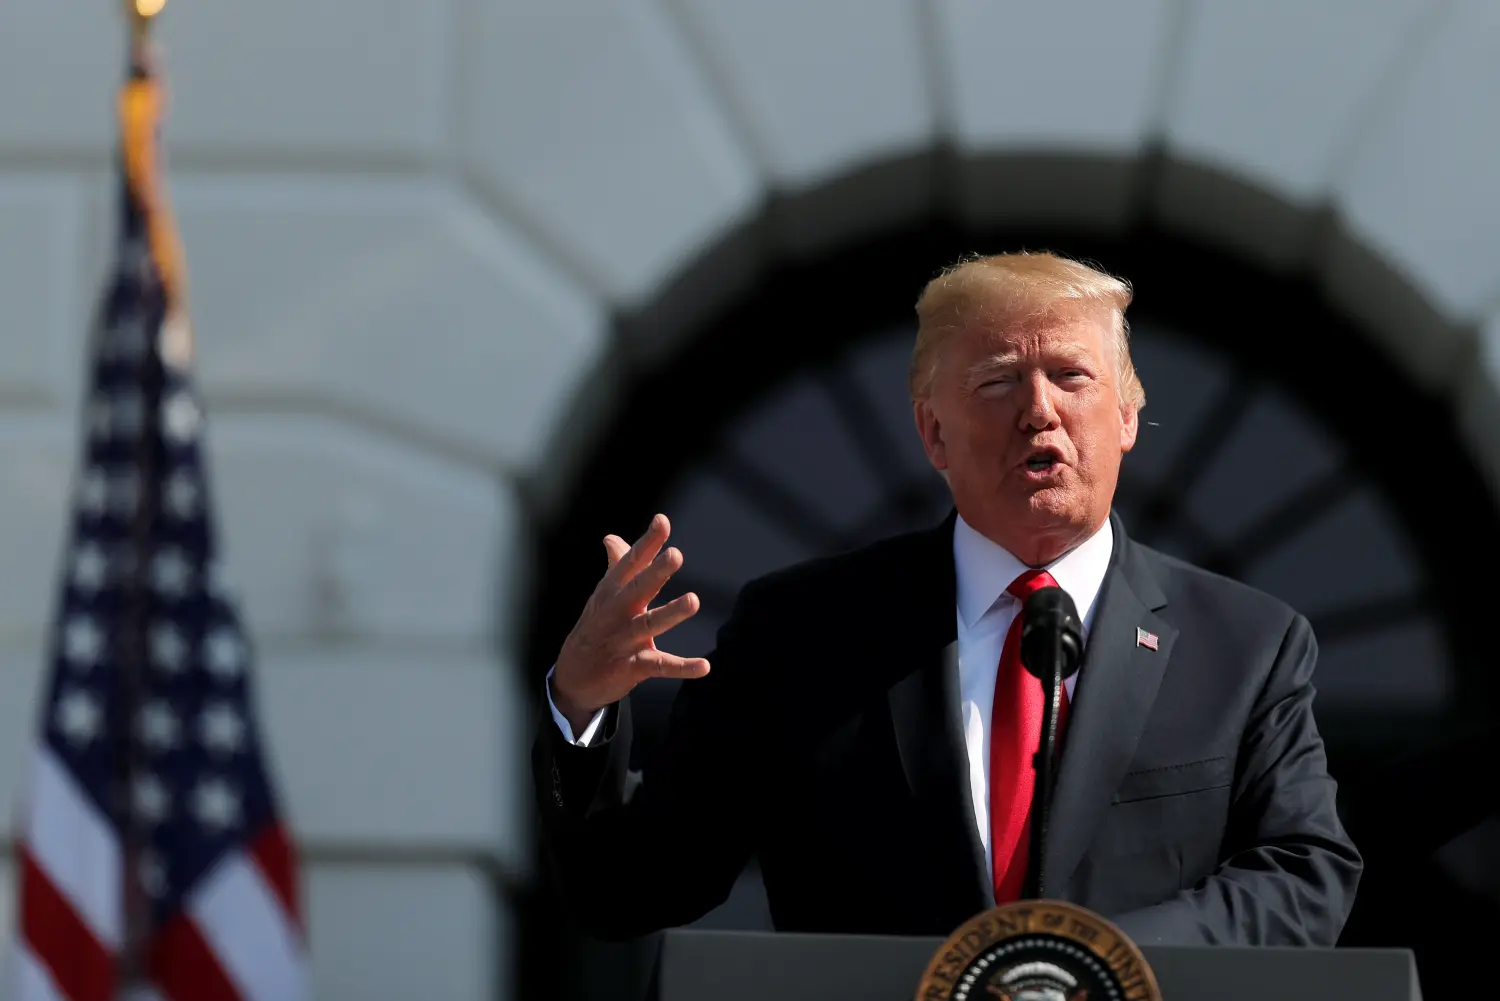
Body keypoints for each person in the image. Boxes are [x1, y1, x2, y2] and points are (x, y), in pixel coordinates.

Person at [533, 252, 1362, 946]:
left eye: (1071, 375)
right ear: (932, 432)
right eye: (999, 382)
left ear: (1127, 416)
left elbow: (1305, 875)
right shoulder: (802, 633)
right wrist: (583, 707)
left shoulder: (1247, 646)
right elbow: (632, 892)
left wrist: (1091, 965)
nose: (1040, 411)